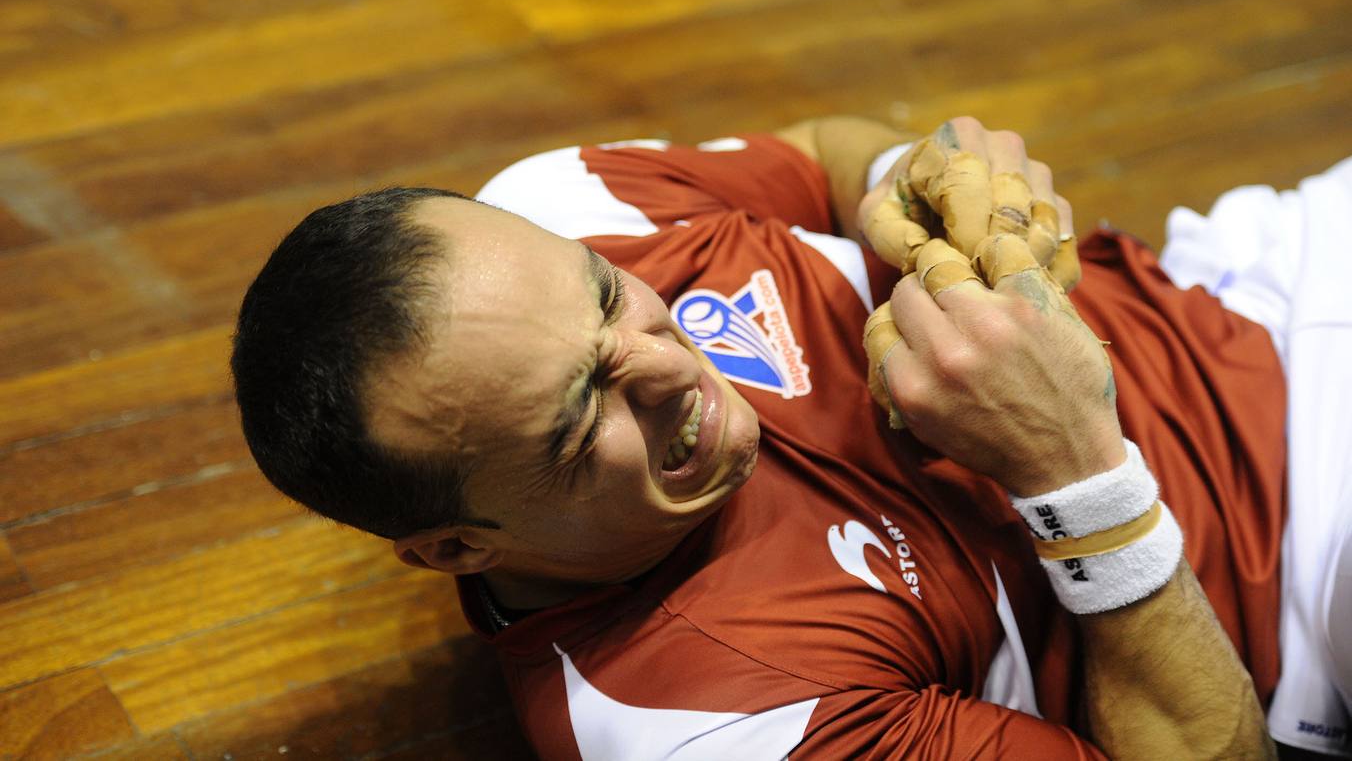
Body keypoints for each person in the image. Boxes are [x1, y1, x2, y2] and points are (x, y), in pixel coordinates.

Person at [230, 116, 1351, 759]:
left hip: (1243, 278)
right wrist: (1074, 468)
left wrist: (936, 184)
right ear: (456, 548)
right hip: (1301, 561)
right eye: (583, 416)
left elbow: (828, 154)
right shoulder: (716, 724)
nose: (679, 369)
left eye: (607, 296)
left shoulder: (550, 204)